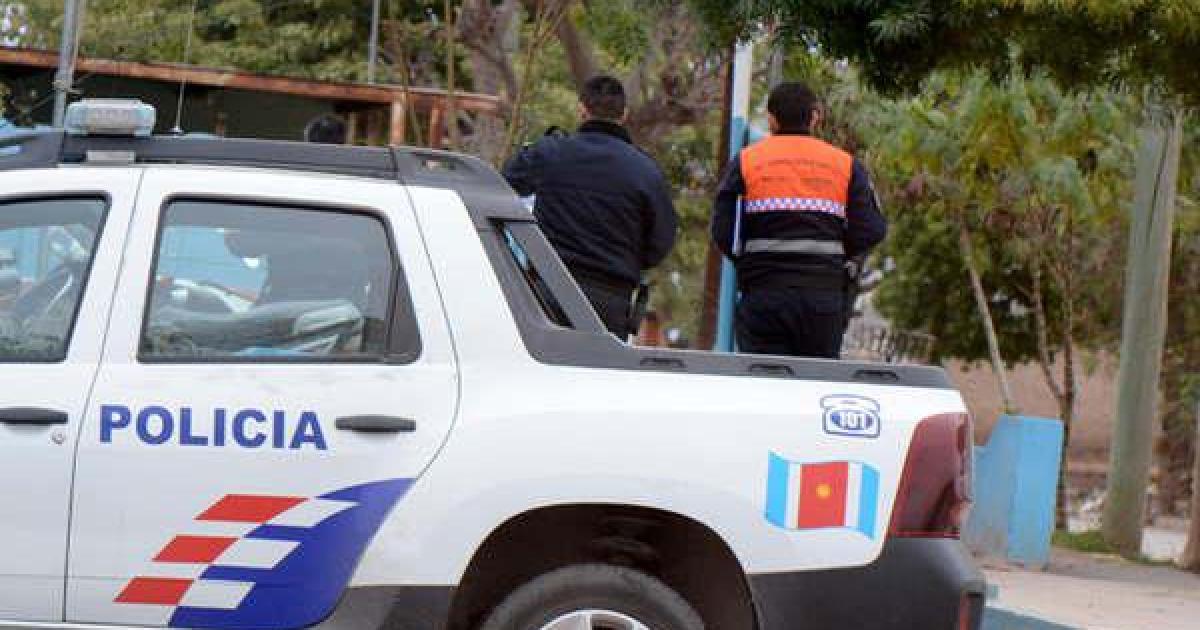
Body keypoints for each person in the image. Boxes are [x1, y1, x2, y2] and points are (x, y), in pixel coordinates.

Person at [711, 81, 887, 359]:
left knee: (766, 388)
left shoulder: (746, 162)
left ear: (771, 119)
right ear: (815, 116)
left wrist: (749, 262)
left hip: (764, 295)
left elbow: (724, 231)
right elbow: (872, 229)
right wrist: (839, 255)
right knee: (814, 388)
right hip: (822, 301)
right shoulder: (845, 165)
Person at [503, 75, 677, 337]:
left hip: (549, 291)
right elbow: (661, 241)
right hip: (611, 301)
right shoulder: (645, 171)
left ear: (582, 109)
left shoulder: (550, 153)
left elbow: (504, 185)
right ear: (624, 114)